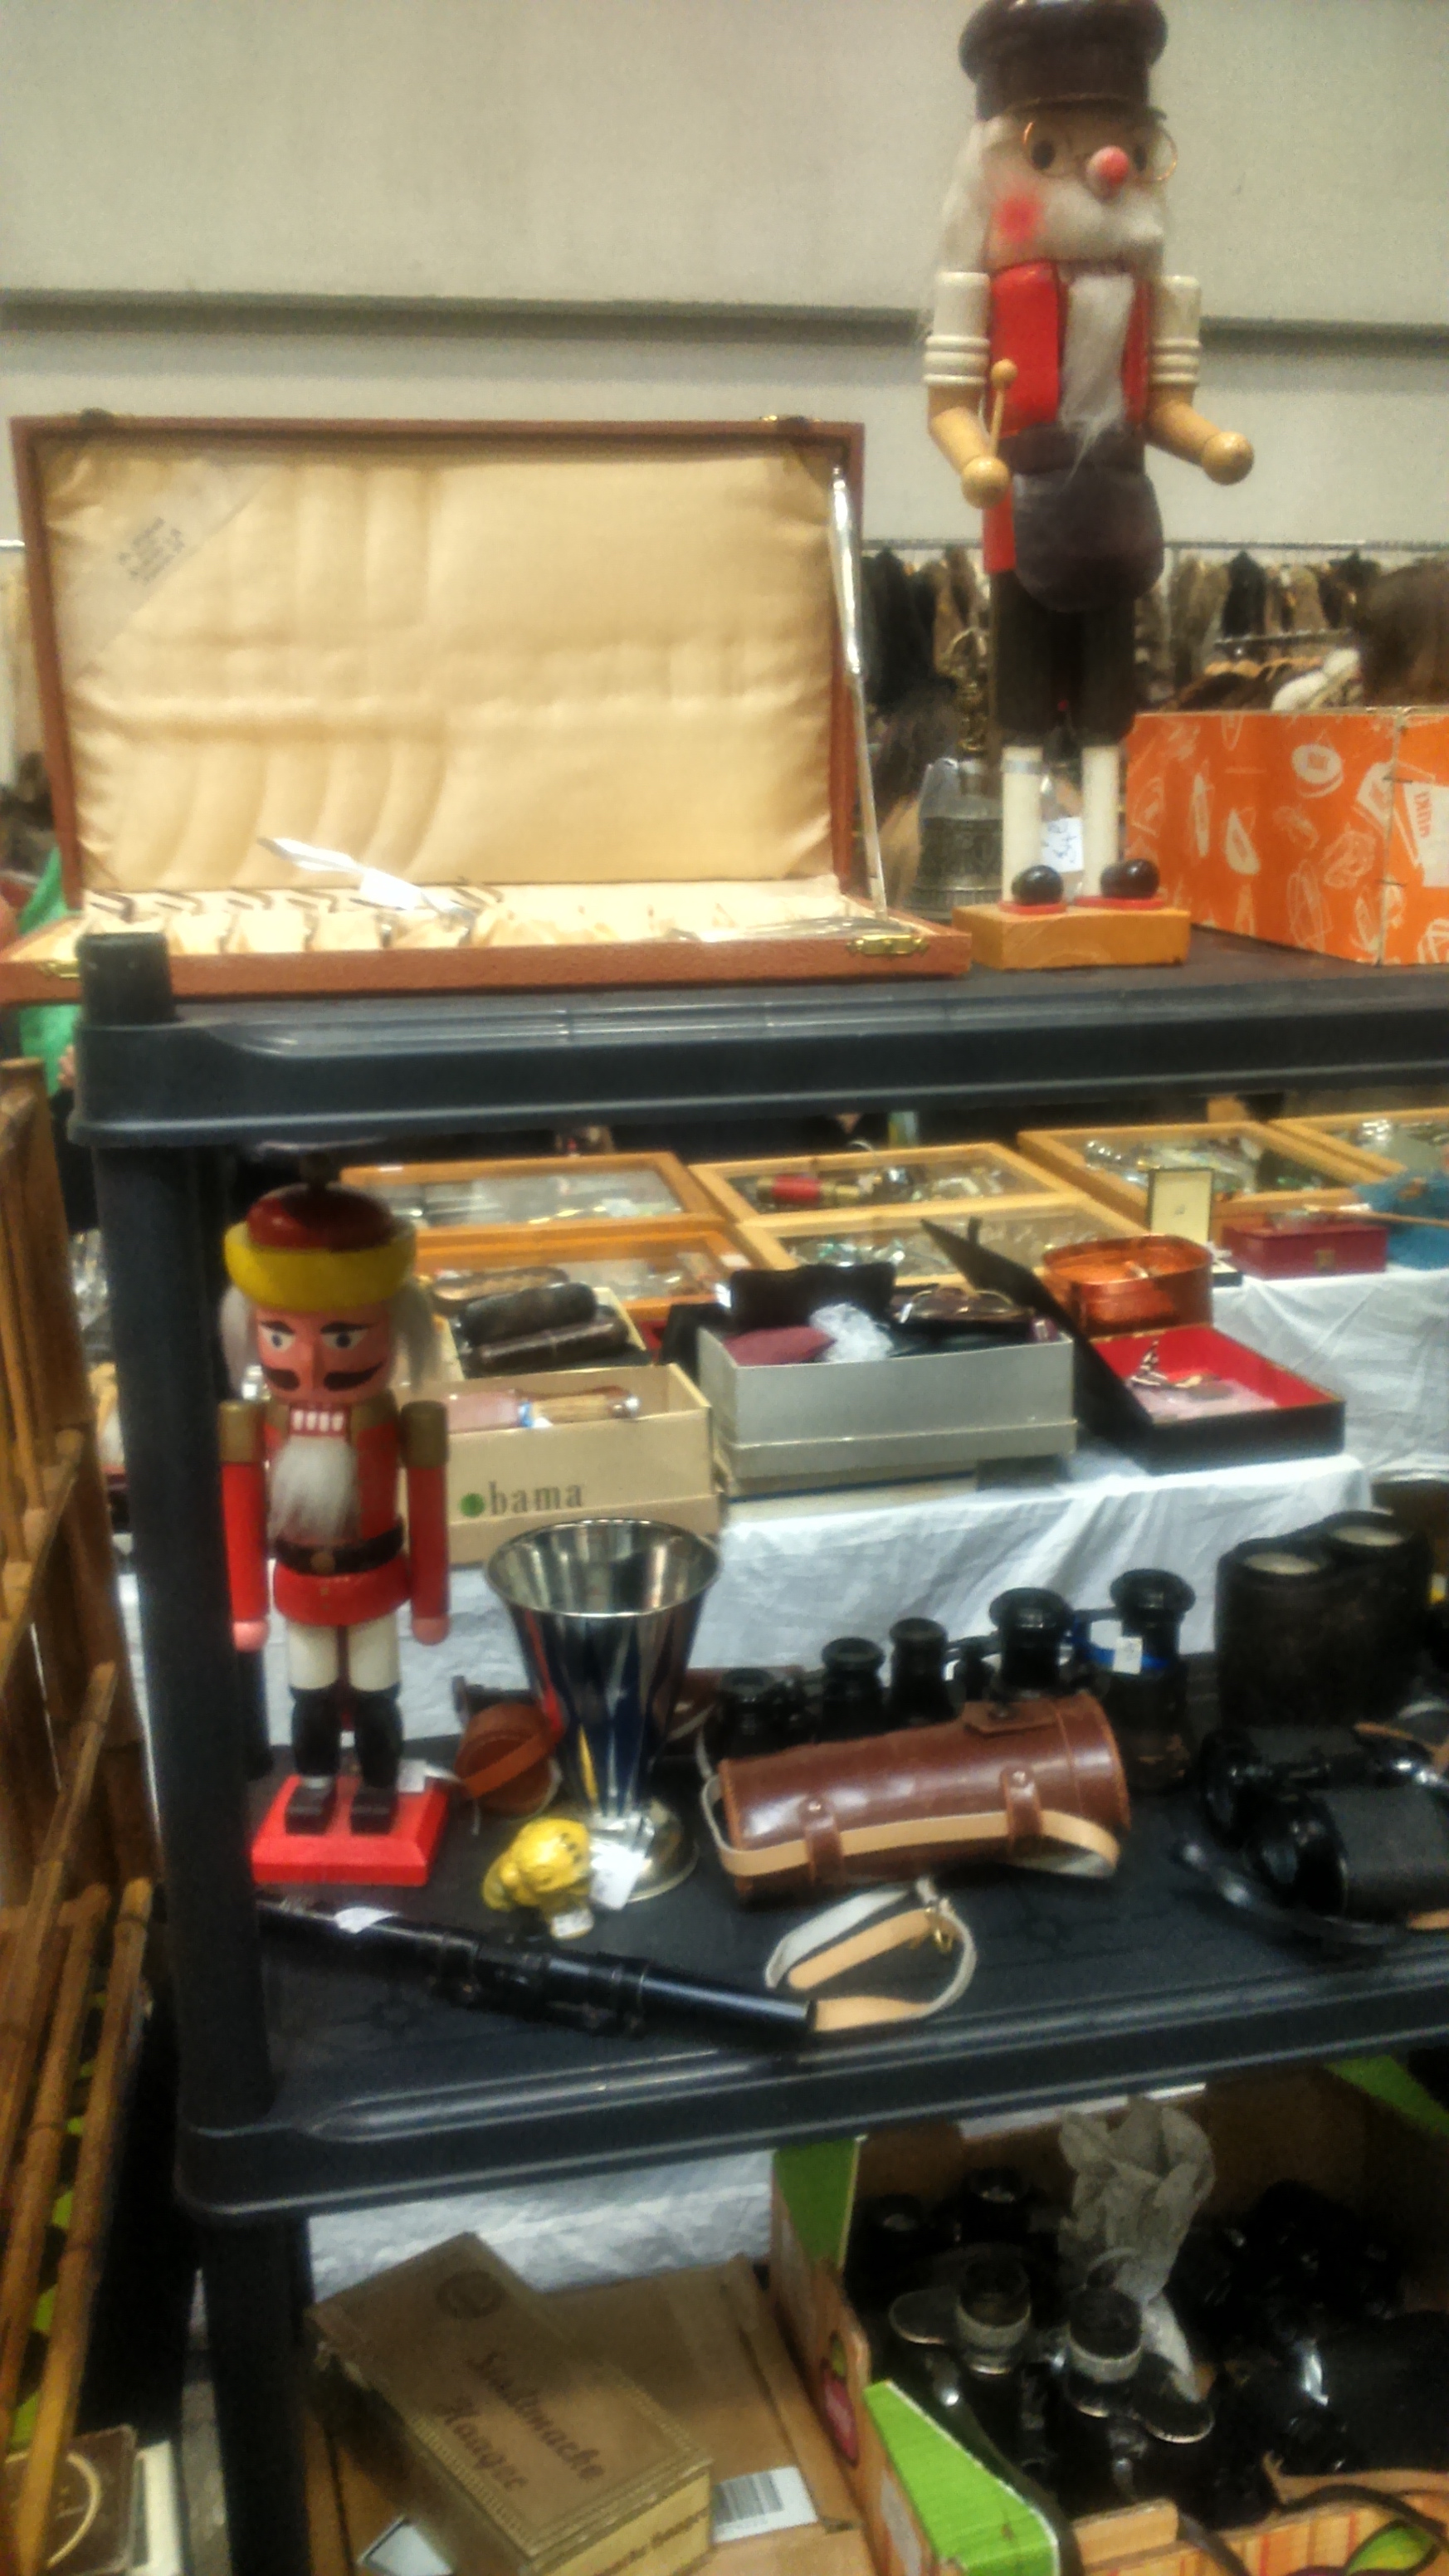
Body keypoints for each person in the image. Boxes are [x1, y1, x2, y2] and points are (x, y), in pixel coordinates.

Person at [925, 0, 1253, 895]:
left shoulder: (1156, 298)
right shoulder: (980, 295)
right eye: (1050, 150)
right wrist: (976, 460)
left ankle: (1108, 864)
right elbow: (949, 407)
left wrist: (1210, 444)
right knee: (1025, 694)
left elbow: (1165, 407)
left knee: (1112, 693)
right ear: (995, 166)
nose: (1107, 169)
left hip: (1115, 509)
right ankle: (1024, 863)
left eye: (1130, 147)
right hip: (1020, 513)